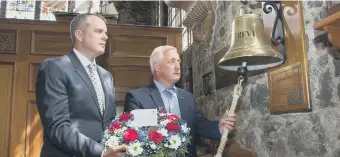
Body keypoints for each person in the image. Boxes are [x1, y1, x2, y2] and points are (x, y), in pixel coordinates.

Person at [36, 13, 127, 157]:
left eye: (105, 33)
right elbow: (58, 127)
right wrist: (101, 152)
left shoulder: (106, 76)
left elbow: (109, 123)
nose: (105, 37)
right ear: (79, 35)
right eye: (98, 31)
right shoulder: (55, 67)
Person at [124, 45, 237, 157]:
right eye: (171, 62)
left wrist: (219, 127)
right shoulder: (137, 98)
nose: (178, 66)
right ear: (157, 67)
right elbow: (137, 136)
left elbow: (200, 125)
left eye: (178, 61)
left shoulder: (187, 97)